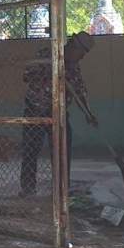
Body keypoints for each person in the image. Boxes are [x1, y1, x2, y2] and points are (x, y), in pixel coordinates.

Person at [20, 31, 97, 197]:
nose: (82, 57)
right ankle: (27, 189)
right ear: (73, 46)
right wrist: (52, 72)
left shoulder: (74, 68)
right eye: (82, 53)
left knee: (62, 151)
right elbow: (26, 76)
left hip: (59, 113)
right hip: (35, 110)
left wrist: (88, 113)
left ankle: (61, 189)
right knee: (30, 150)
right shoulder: (46, 55)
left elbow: (80, 92)